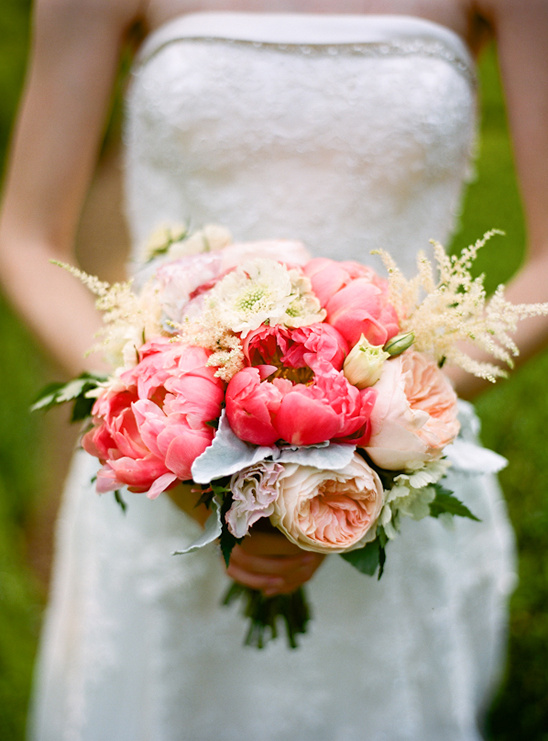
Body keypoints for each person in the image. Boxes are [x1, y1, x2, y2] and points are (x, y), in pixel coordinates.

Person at [1, 0, 547, 739]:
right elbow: (25, 235)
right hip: (163, 473)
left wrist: (379, 429)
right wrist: (161, 426)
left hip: (392, 474)